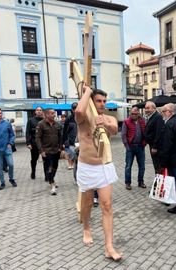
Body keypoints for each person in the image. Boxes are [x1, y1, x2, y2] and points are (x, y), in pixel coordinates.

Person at [75, 85, 122, 261]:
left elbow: (115, 130)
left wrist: (106, 125)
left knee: (107, 205)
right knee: (87, 204)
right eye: (98, 101)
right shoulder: (83, 118)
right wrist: (87, 91)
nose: (102, 104)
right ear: (92, 102)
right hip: (86, 167)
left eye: (104, 101)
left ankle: (109, 246)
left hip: (104, 166)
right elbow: (79, 110)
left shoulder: (109, 118)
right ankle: (86, 227)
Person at [36, 108, 62, 195]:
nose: (54, 115)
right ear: (47, 114)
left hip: (56, 150)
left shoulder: (57, 124)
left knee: (55, 166)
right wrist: (41, 151)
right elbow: (38, 138)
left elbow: (60, 136)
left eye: (54, 113)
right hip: (46, 150)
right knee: (49, 167)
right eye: (52, 113)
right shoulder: (41, 124)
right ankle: (52, 185)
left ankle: (52, 179)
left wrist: (60, 148)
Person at [121, 106, 147, 190]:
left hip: (140, 146)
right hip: (130, 147)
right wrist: (127, 146)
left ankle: (140, 181)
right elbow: (123, 134)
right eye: (132, 114)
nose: (133, 115)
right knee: (128, 166)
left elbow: (146, 133)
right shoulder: (126, 121)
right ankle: (128, 183)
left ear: (138, 114)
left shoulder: (142, 121)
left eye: (135, 114)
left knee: (142, 166)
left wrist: (145, 142)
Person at [144, 101, 164, 173]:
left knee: (158, 165)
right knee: (156, 165)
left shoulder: (157, 117)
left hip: (156, 147)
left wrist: (155, 147)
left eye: (148, 108)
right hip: (152, 145)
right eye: (145, 108)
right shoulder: (152, 116)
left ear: (154, 108)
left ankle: (159, 181)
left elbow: (158, 133)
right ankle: (158, 180)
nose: (146, 110)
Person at [26, 106, 44, 179]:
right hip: (34, 143)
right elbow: (28, 132)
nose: (39, 111)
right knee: (34, 160)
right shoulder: (31, 120)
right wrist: (28, 143)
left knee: (46, 160)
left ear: (42, 112)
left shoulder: (45, 120)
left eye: (40, 110)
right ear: (35, 112)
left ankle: (46, 175)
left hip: (44, 144)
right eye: (37, 110)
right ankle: (33, 172)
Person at [62, 102, 78, 170]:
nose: (75, 110)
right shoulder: (68, 119)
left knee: (75, 154)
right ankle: (70, 164)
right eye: (74, 109)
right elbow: (64, 131)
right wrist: (64, 142)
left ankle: (74, 164)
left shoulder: (83, 117)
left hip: (80, 140)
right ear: (71, 109)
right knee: (70, 153)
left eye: (76, 108)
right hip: (71, 140)